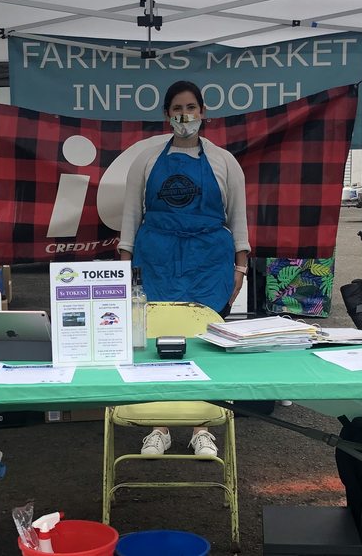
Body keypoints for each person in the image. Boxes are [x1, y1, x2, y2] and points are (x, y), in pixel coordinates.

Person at [119, 80, 250, 458]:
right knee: (158, 340)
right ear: (166, 115)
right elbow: (130, 218)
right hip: (156, 259)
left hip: (209, 261)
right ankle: (157, 425)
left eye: (192, 107)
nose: (185, 115)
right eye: (178, 108)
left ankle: (202, 427)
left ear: (203, 113)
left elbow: (238, 218)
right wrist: (126, 268)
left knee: (206, 340)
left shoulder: (225, 161)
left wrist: (239, 268)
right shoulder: (145, 161)